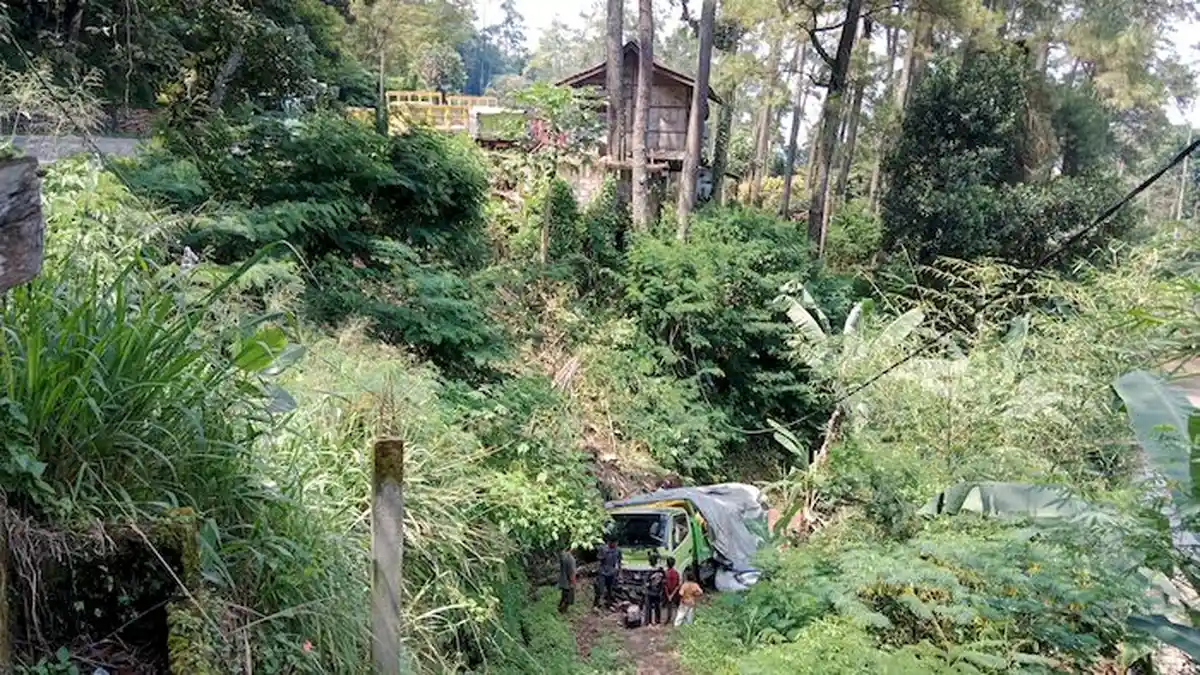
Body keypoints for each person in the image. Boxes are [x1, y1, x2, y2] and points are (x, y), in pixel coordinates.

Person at [594, 538, 622, 609]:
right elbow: (599, 558)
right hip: (603, 571)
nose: (615, 544)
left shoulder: (618, 550)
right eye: (613, 543)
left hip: (612, 572)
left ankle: (608, 604)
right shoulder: (603, 549)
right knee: (600, 589)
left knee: (610, 590)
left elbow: (619, 561)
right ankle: (596, 604)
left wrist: (619, 572)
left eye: (616, 543)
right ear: (609, 542)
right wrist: (604, 555)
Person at [642, 551, 665, 626]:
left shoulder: (648, 571)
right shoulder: (661, 569)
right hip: (658, 592)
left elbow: (646, 583)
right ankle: (657, 621)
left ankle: (648, 622)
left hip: (649, 592)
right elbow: (664, 580)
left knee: (648, 607)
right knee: (657, 607)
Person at [557, 543, 576, 613]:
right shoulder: (571, 559)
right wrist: (573, 583)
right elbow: (572, 572)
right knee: (568, 598)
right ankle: (562, 611)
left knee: (564, 596)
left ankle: (560, 609)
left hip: (563, 580)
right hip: (568, 582)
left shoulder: (562, 556)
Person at [662, 556, 681, 625]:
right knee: (677, 606)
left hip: (668, 592)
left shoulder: (665, 573)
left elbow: (665, 585)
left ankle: (668, 619)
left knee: (669, 607)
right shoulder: (676, 573)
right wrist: (673, 594)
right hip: (675, 592)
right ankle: (678, 619)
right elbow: (678, 585)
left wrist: (669, 595)